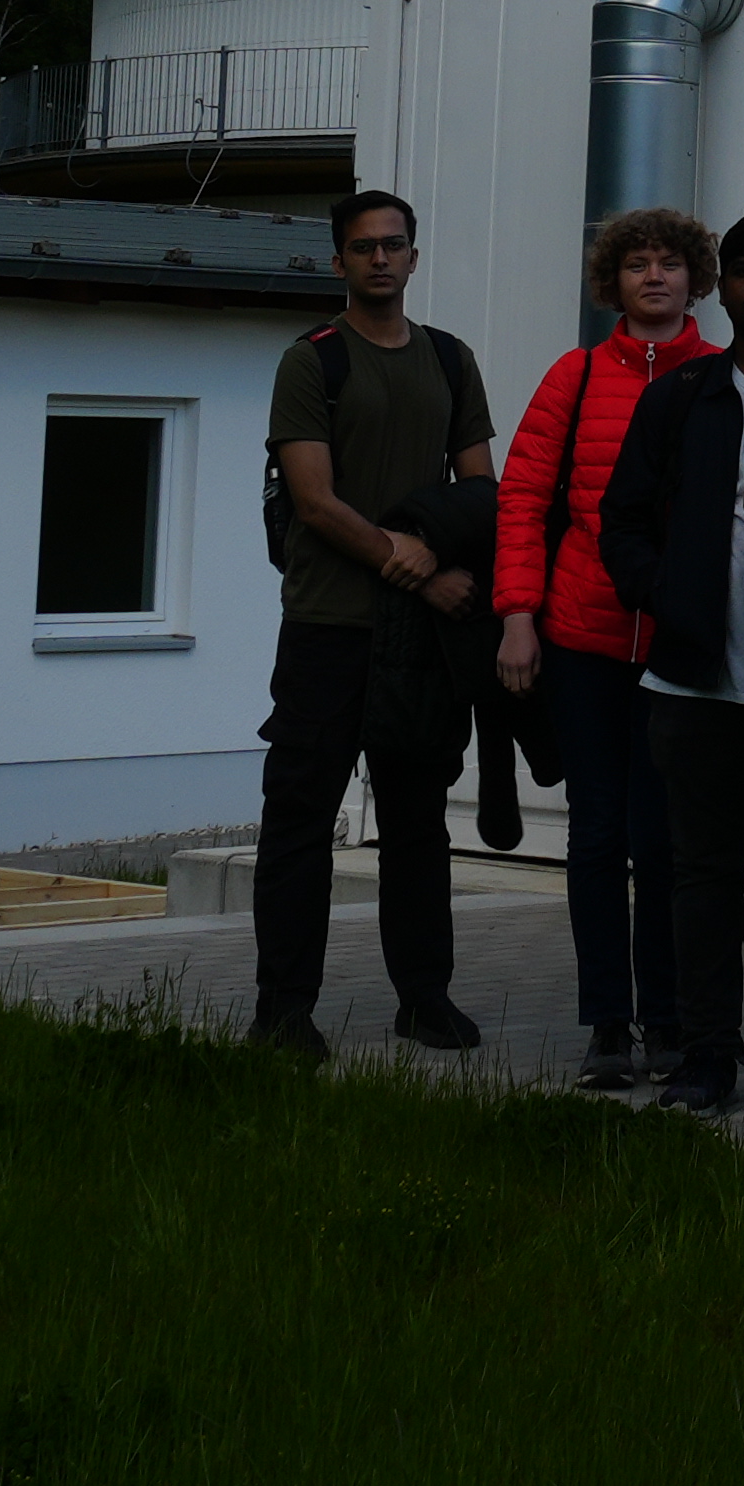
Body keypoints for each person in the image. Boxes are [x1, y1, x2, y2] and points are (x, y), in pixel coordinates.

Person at [595, 202, 744, 1117]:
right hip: (693, 679)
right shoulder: (682, 394)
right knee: (700, 879)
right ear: (720, 287)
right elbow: (621, 519)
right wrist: (667, 595)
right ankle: (706, 1056)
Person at [254, 185, 492, 1059]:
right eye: (364, 247)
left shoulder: (451, 360)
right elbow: (315, 502)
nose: (380, 258)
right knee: (299, 820)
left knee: (418, 822)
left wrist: (443, 561)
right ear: (340, 261)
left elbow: (480, 489)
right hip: (328, 624)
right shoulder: (312, 362)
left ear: (414, 258)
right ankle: (283, 1011)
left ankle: (424, 1000)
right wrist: (411, 563)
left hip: (418, 644)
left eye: (393, 245)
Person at [496, 204, 730, 1091]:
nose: (654, 276)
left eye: (670, 262)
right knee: (595, 836)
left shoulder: (721, 376)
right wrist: (518, 614)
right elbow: (522, 497)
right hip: (582, 638)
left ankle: (669, 1020)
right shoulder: (578, 374)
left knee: (667, 841)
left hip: (680, 644)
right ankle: (607, 1027)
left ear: (695, 278)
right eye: (637, 264)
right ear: (614, 283)